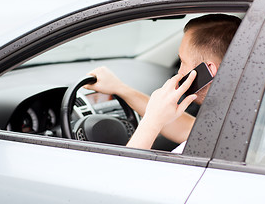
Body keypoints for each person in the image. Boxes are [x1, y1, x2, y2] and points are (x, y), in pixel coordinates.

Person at [85, 14, 241, 150]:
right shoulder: (242, 122)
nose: (179, 72)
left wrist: (151, 122)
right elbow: (192, 130)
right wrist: (120, 89)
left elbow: (124, 178)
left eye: (182, 61)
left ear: (209, 70)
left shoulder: (203, 155)